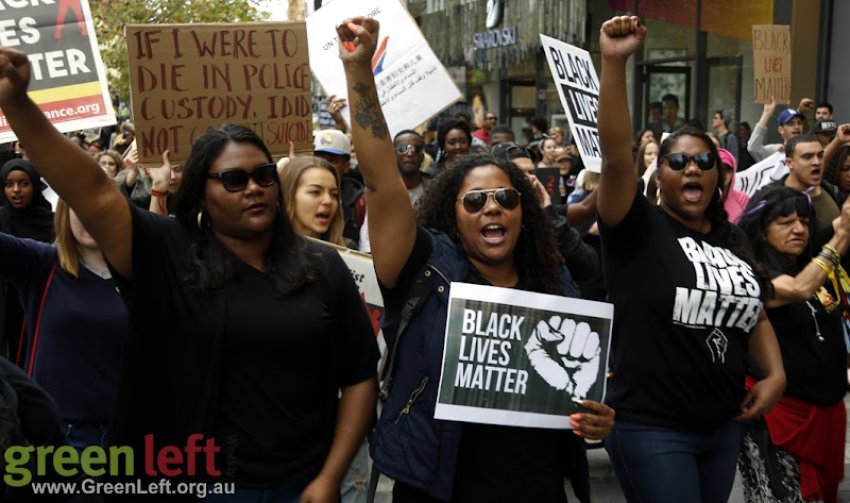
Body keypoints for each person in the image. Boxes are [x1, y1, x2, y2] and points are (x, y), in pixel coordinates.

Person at [0, 44, 378, 501]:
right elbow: (94, 191)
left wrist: (328, 479)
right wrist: (17, 102)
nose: (253, 188)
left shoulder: (321, 266)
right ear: (201, 193)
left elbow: (359, 376)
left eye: (263, 175)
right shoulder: (169, 253)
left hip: (301, 485)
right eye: (234, 181)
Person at [337, 17, 614, 503]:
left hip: (536, 486)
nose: (492, 208)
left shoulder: (554, 280)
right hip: (438, 488)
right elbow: (382, 180)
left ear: (523, 213)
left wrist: (597, 416)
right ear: (453, 213)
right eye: (475, 201)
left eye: (506, 198)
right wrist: (360, 69)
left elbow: (580, 393)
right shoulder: (425, 268)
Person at [596, 16, 785, 503]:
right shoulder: (636, 226)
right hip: (651, 428)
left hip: (721, 427)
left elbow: (753, 309)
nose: (693, 167)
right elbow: (616, 157)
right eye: (678, 161)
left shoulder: (731, 239)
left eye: (704, 160)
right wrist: (614, 63)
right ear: (658, 176)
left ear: (719, 177)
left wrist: (775, 375)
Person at [737, 185, 849, 503]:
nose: (799, 229)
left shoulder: (813, 262)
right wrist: (841, 238)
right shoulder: (751, 275)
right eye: (785, 222)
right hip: (779, 416)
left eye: (804, 220)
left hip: (826, 414)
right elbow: (799, 289)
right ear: (761, 231)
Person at [1, 199, 128, 451]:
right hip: (62, 438)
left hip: (130, 435)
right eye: (79, 208)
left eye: (100, 208)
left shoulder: (145, 274)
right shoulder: (41, 264)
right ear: (63, 214)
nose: (90, 218)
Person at [0, 159, 53, 360]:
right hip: (7, 306)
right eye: (9, 184)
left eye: (23, 183)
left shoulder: (52, 222)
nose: (16, 190)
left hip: (41, 303)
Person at [278, 156, 346, 247]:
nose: (328, 201)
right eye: (316, 192)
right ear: (288, 195)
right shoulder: (261, 254)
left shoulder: (349, 253)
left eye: (334, 194)